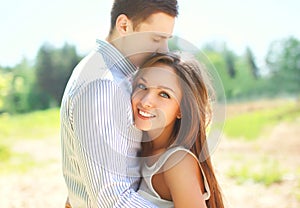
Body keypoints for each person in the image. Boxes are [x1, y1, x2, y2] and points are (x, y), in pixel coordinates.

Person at [60, 0, 178, 207]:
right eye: (156, 39)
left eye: (167, 39)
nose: (164, 50)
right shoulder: (104, 84)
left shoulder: (116, 76)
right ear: (124, 25)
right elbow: (113, 199)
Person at [131, 52, 225, 208]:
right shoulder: (137, 148)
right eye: (142, 86)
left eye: (164, 94)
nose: (146, 101)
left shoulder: (177, 162)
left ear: (182, 109)